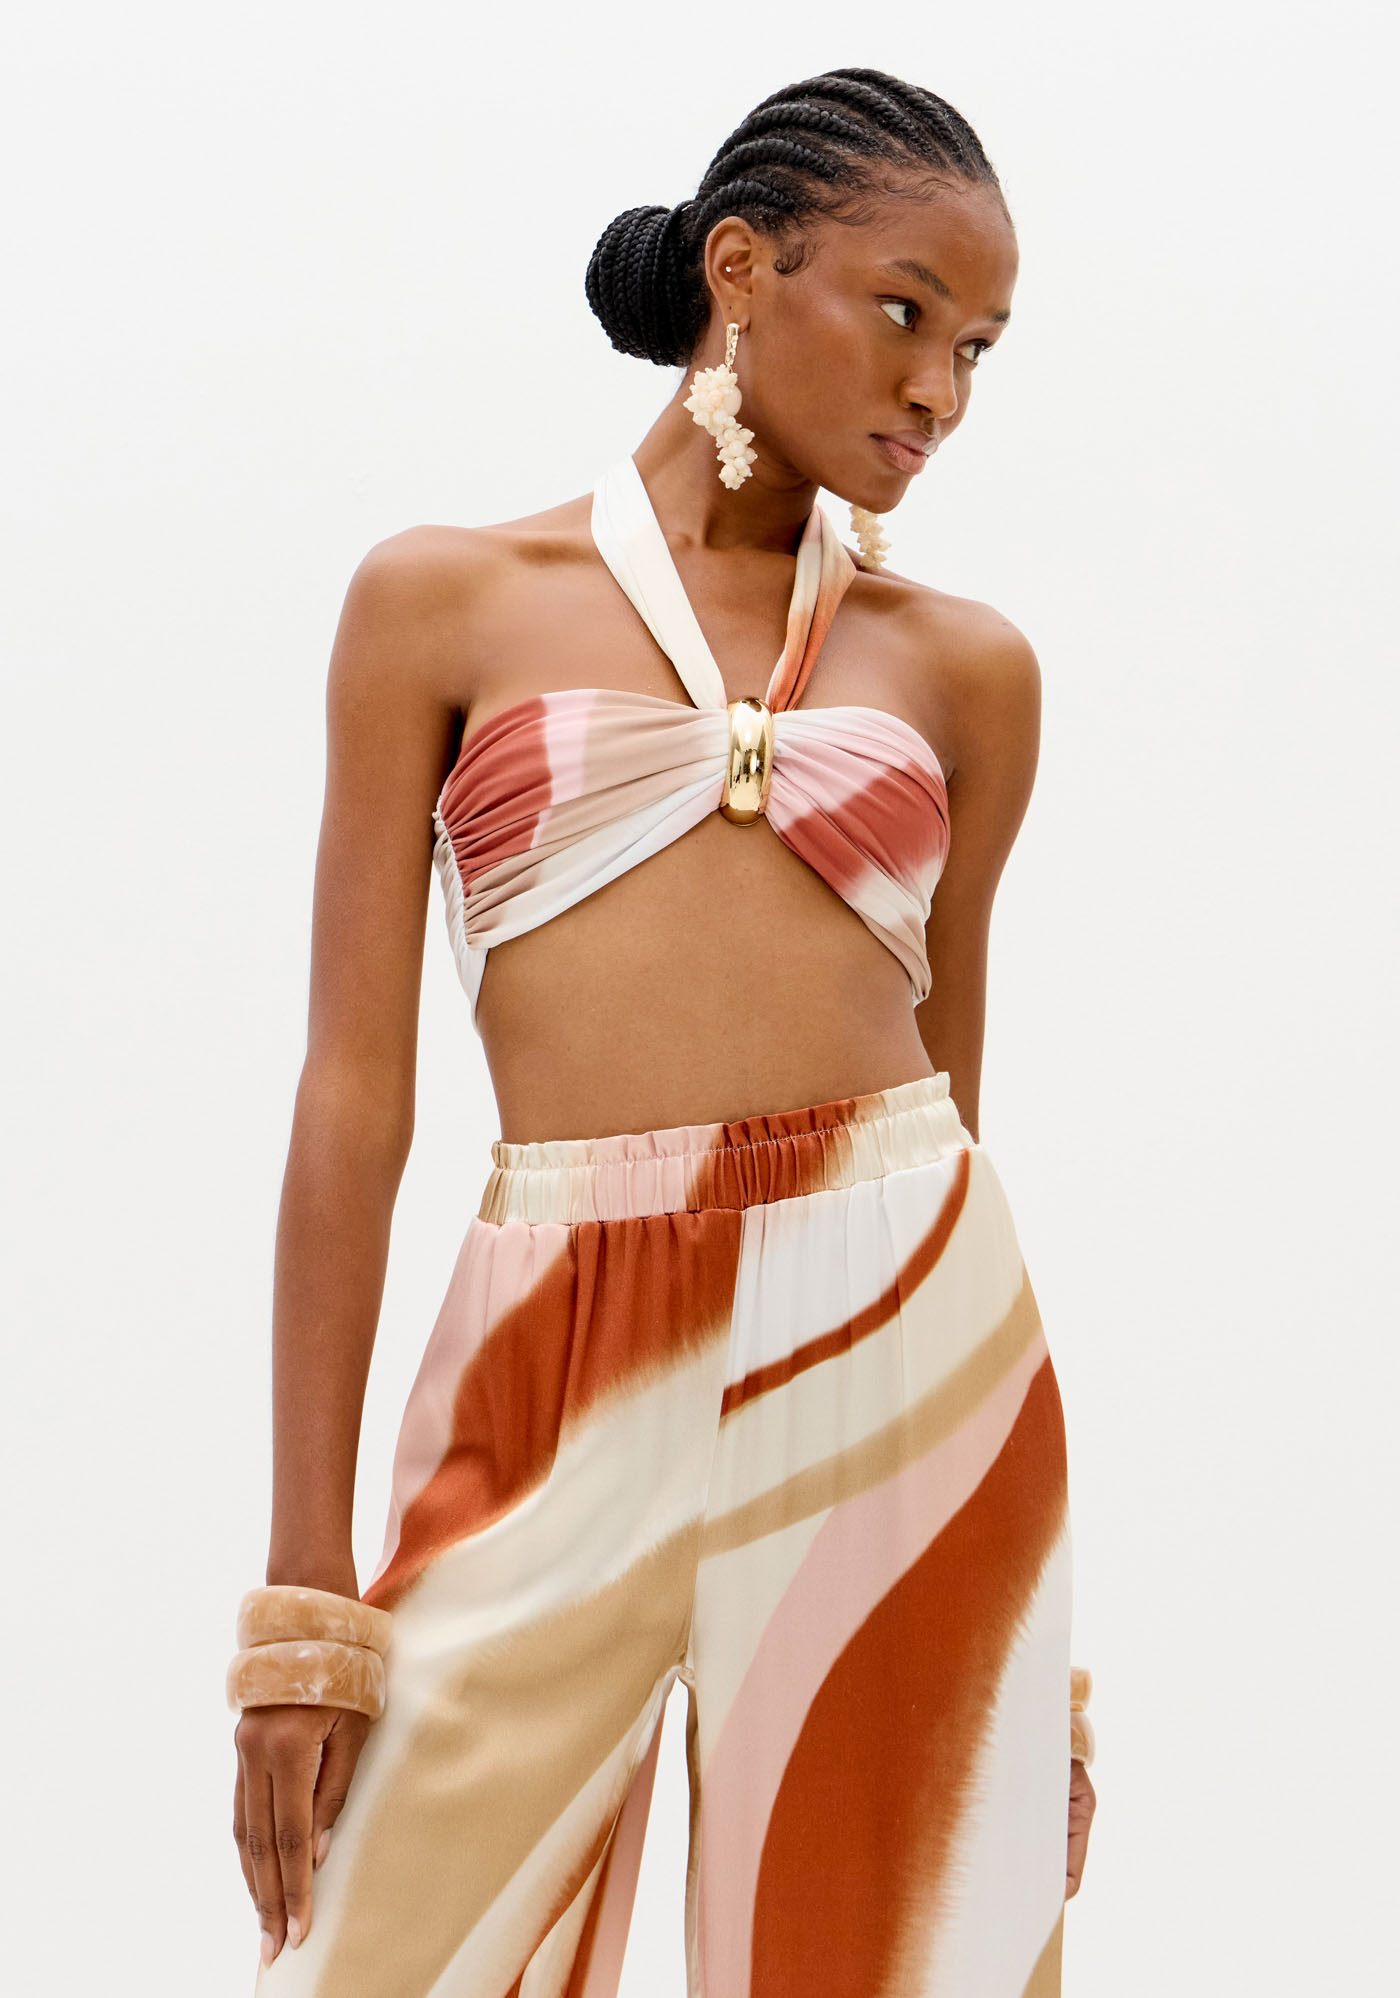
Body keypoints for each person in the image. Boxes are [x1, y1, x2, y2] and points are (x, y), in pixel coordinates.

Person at [227, 63, 1097, 1998]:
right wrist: (307, 1606)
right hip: (558, 1339)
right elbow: (352, 1098)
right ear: (740, 269)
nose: (940, 391)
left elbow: (958, 1095)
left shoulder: (969, 671)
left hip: (904, 1334)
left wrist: (1032, 1662)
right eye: (903, 313)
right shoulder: (442, 602)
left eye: (977, 349)